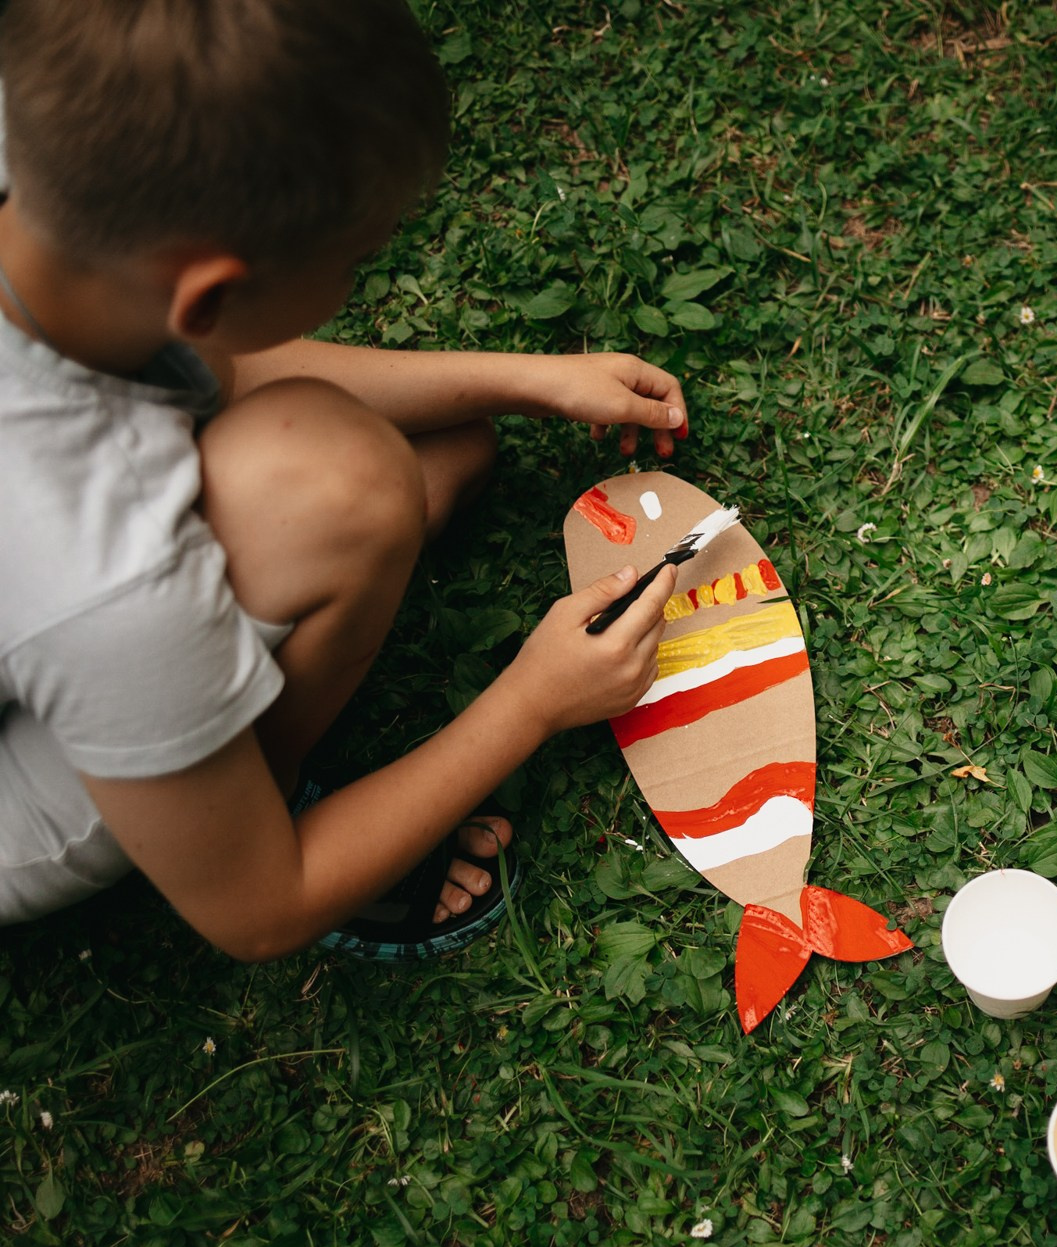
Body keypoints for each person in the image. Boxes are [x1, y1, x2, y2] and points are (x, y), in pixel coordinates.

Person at [0, 0, 685, 960]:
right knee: (354, 488)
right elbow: (261, 910)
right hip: (26, 799)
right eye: (359, 259)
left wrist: (520, 380)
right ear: (208, 292)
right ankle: (253, 802)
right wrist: (532, 698)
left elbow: (214, 361)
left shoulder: (49, 168)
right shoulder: (109, 586)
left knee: (436, 463)